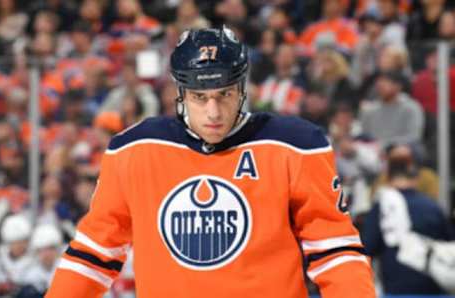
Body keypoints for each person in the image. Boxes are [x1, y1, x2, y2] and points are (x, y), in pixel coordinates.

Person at [45, 27, 376, 298]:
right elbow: (94, 252)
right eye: (200, 98)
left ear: (242, 90)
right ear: (181, 93)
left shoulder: (295, 145)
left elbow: (335, 251)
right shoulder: (135, 149)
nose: (213, 113)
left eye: (224, 95)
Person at [361, 154, 452, 295]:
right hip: (433, 288)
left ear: (388, 178)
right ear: (416, 178)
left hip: (396, 290)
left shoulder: (382, 206)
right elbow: (449, 245)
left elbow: (367, 248)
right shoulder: (433, 207)